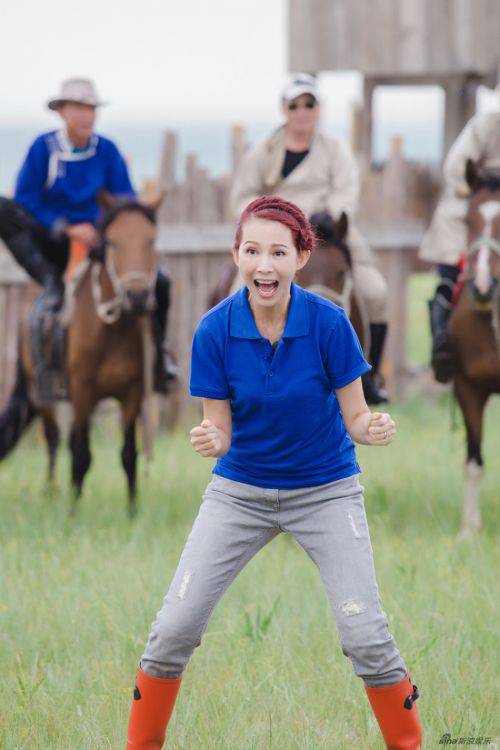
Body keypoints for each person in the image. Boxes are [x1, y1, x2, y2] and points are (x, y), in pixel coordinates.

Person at [125, 197, 422, 750]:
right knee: (172, 632)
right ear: (236, 254)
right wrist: (212, 439)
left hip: (326, 492)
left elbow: (354, 415)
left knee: (365, 637)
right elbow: (220, 429)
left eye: (279, 252)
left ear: (301, 257)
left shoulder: (330, 323)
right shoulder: (214, 331)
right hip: (239, 494)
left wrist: (371, 426)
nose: (265, 264)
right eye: (253, 250)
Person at [0, 77, 175, 392]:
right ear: (62, 112)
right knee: (3, 209)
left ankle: (160, 359)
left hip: (98, 243)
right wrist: (67, 227)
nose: (86, 115)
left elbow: (125, 201)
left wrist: (99, 230)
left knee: (161, 283)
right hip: (55, 241)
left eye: (91, 108)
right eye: (78, 108)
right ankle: (51, 283)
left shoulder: (107, 151)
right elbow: (26, 199)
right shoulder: (44, 149)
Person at [229, 73, 390, 405]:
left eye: (309, 104)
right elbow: (242, 196)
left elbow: (347, 190)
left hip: (330, 232)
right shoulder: (263, 150)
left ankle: (369, 377)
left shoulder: (335, 149)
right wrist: (270, 216)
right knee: (235, 294)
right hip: (277, 236)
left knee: (376, 291)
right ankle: (236, 377)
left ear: (318, 109)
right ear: (283, 109)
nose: (302, 111)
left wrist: (331, 215)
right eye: (295, 104)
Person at [420, 104, 500, 382]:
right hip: (476, 195)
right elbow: (457, 165)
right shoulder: (486, 124)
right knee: (453, 242)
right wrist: (478, 188)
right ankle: (442, 343)